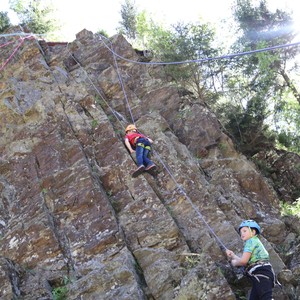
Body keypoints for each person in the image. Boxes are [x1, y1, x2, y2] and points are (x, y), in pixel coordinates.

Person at [226, 220, 277, 300]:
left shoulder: (250, 241)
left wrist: (234, 263)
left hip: (261, 273)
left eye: (244, 231)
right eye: (241, 232)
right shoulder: (254, 241)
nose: (242, 233)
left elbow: (243, 262)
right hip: (262, 274)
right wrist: (233, 256)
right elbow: (246, 261)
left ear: (253, 232)